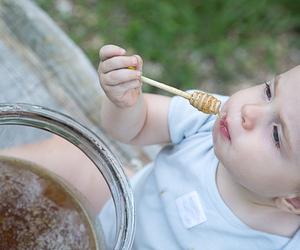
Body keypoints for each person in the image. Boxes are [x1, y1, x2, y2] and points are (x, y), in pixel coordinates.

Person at [98, 44, 300, 249]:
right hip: (118, 208)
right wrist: (125, 104)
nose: (249, 111)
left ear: (295, 201)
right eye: (268, 92)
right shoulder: (211, 119)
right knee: (70, 155)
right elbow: (138, 125)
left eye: (276, 134)